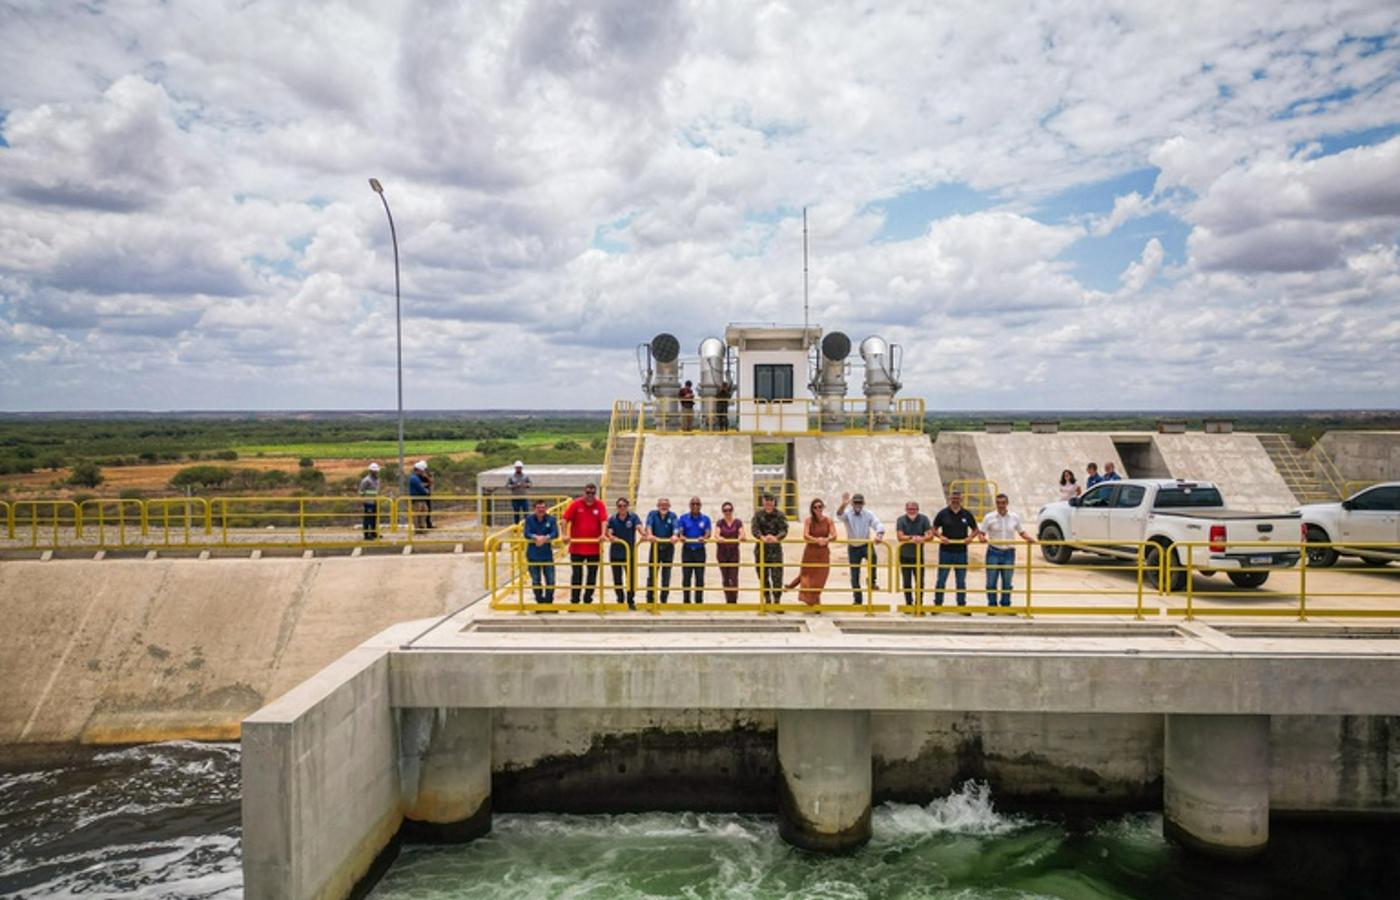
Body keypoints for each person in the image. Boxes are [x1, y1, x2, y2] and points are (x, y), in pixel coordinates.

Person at [978, 493, 1035, 610]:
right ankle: (992, 606)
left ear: (1007, 503)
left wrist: (1029, 538)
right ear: (996, 504)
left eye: (1003, 503)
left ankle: (1005, 605)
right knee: (991, 582)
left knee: (1007, 582)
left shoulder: (1014, 517)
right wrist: (981, 538)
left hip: (1009, 553)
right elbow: (981, 533)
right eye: (998, 503)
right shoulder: (989, 517)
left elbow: (1021, 532)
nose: (1001, 505)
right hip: (993, 552)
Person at [933, 490, 982, 609]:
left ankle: (961, 605)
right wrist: (940, 536)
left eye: (957, 498)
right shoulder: (943, 513)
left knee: (961, 581)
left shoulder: (967, 514)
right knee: (941, 579)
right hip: (946, 551)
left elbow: (976, 529)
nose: (955, 501)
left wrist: (970, 537)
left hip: (961, 552)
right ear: (950, 499)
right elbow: (933, 529)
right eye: (953, 498)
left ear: (961, 499)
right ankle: (938, 604)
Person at [836, 491, 885, 604]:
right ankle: (858, 600)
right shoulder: (847, 513)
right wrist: (843, 504)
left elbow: (877, 523)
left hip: (865, 544)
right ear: (852, 504)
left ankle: (872, 580)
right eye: (856, 503)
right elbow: (839, 515)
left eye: (860, 503)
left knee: (873, 558)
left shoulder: (868, 514)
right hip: (853, 547)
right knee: (855, 574)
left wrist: (879, 534)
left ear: (863, 503)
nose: (858, 505)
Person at [562, 483, 607, 604]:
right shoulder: (576, 504)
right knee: (577, 574)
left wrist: (603, 534)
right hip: (577, 547)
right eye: (588, 493)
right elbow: (565, 519)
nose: (590, 496)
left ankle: (588, 599)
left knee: (592, 575)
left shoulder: (600, 505)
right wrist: (564, 534)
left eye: (592, 493)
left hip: (594, 547)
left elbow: (603, 520)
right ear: (584, 492)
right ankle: (575, 600)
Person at [788, 498, 834, 607]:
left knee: (820, 577)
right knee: (807, 576)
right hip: (810, 552)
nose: (818, 509)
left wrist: (826, 540)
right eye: (815, 507)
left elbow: (834, 535)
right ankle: (813, 602)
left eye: (820, 506)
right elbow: (805, 535)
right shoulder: (809, 520)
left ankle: (814, 598)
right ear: (812, 509)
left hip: (823, 552)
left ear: (823, 508)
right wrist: (817, 540)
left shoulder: (828, 521)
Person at [751, 494, 789, 605]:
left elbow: (784, 530)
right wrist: (761, 537)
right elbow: (754, 529)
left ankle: (777, 600)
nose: (768, 503)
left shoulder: (780, 515)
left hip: (775, 550)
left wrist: (776, 538)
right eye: (766, 501)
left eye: (771, 500)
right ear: (763, 502)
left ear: (774, 502)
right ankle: (767, 598)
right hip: (761, 550)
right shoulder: (758, 515)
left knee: (777, 576)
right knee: (762, 575)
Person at [606, 497, 643, 610]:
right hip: (616, 553)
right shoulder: (612, 519)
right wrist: (611, 536)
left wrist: (644, 534)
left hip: (629, 553)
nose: (622, 508)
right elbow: (609, 531)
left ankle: (630, 600)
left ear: (628, 507)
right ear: (617, 507)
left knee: (631, 578)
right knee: (617, 578)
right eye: (619, 506)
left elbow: (639, 527)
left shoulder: (633, 517)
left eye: (624, 506)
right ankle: (620, 599)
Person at [522, 498, 559, 604]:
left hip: (547, 555)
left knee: (550, 579)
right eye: (539, 508)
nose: (541, 510)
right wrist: (535, 537)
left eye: (543, 508)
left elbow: (555, 533)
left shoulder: (551, 519)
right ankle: (539, 601)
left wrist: (545, 538)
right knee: (536, 580)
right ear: (534, 509)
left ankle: (549, 601)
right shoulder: (529, 519)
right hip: (533, 554)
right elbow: (526, 533)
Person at [895, 501, 932, 606]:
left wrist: (922, 538)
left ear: (918, 509)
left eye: (914, 509)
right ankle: (909, 604)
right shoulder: (901, 520)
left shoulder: (924, 519)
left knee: (920, 581)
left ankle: (919, 603)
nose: (912, 511)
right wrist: (913, 538)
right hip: (904, 555)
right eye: (909, 509)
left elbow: (930, 535)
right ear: (906, 509)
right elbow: (900, 537)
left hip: (918, 555)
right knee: (907, 581)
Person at [677, 496, 712, 604]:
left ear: (700, 506)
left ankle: (699, 601)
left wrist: (704, 537)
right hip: (687, 549)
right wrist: (681, 536)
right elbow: (680, 531)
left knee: (700, 577)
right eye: (693, 504)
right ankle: (686, 601)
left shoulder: (705, 519)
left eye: (697, 504)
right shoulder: (683, 518)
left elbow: (708, 532)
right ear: (689, 505)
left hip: (699, 550)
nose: (695, 506)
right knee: (686, 576)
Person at [644, 497, 679, 603]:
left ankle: (664, 599)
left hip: (668, 547)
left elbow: (676, 527)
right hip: (655, 546)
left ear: (669, 506)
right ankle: (650, 598)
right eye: (661, 505)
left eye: (666, 505)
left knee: (666, 574)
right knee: (652, 573)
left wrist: (675, 535)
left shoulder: (672, 516)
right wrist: (649, 535)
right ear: (658, 506)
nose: (664, 507)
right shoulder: (653, 514)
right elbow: (649, 525)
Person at [715, 501, 744, 603]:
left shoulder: (738, 522)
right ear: (723, 511)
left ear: (732, 510)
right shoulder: (720, 522)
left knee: (734, 577)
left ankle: (734, 600)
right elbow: (716, 534)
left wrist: (740, 537)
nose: (727, 512)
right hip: (722, 552)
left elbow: (742, 533)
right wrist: (720, 538)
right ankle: (728, 600)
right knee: (725, 577)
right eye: (725, 510)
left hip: (733, 552)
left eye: (729, 510)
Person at [359, 463, 381, 540]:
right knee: (368, 518)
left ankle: (373, 532)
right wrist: (368, 496)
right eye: (374, 471)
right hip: (368, 502)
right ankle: (366, 534)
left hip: (375, 501)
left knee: (374, 518)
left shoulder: (377, 480)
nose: (376, 472)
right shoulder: (366, 480)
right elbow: (361, 492)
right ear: (371, 471)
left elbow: (377, 490)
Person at [506, 460, 532, 524]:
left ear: (522, 468)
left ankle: (527, 527)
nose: (518, 468)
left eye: (520, 467)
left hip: (524, 497)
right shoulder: (511, 477)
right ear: (515, 468)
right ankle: (516, 528)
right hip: (515, 498)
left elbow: (530, 484)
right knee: (516, 513)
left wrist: (525, 485)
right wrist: (514, 486)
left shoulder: (526, 476)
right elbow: (507, 485)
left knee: (526, 513)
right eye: (517, 467)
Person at [409, 460, 431, 530]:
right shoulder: (414, 478)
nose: (423, 472)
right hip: (417, 499)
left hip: (420, 499)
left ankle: (421, 527)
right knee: (417, 514)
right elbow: (420, 488)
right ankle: (418, 529)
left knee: (423, 512)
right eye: (422, 470)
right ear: (419, 470)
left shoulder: (416, 478)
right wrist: (426, 491)